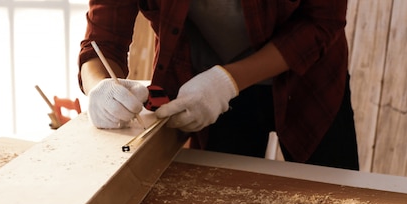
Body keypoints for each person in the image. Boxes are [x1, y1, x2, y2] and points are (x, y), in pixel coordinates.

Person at [78, 1, 359, 171]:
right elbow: (102, 41)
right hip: (204, 92)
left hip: (310, 83)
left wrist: (226, 82)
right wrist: (100, 88)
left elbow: (322, 20)